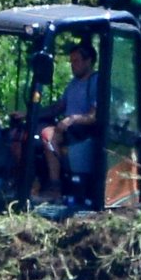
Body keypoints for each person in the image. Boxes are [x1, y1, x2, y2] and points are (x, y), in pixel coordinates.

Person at [38, 41, 98, 201]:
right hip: (67, 127)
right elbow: (58, 107)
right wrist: (30, 114)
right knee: (25, 132)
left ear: (89, 61)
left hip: (82, 132)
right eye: (71, 61)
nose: (73, 65)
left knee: (48, 137)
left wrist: (71, 119)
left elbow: (94, 116)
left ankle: (55, 187)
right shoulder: (74, 83)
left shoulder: (96, 82)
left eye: (76, 61)